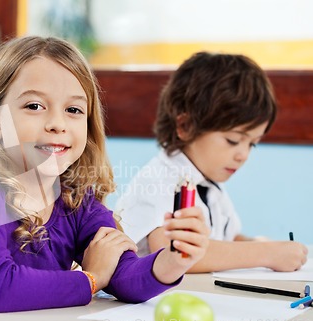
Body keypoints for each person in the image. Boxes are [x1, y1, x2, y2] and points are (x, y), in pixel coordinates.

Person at [0, 36, 210, 313]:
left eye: (73, 110)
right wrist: (91, 280)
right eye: (35, 106)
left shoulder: (76, 199)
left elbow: (122, 274)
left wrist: (172, 261)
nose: (57, 123)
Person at [116, 51, 308, 273]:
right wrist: (267, 253)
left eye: (252, 144)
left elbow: (228, 238)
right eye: (233, 140)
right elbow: (174, 252)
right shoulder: (159, 180)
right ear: (186, 126)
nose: (243, 155)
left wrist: (261, 245)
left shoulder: (210, 185)